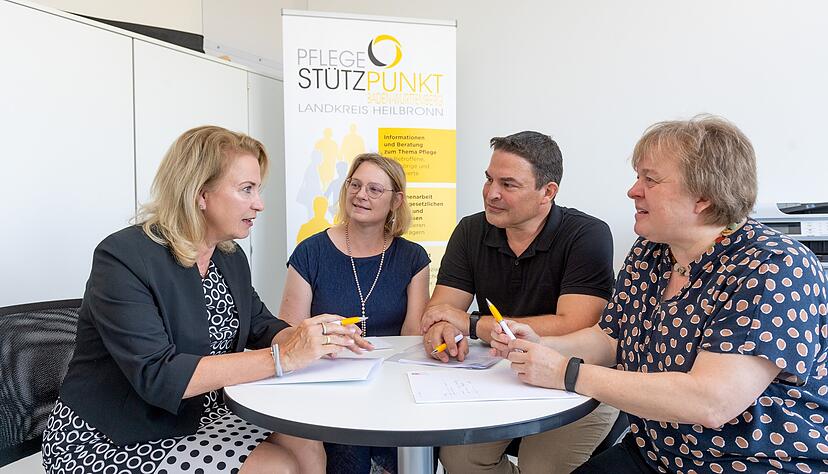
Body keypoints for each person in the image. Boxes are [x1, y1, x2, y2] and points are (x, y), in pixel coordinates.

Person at [491, 116, 828, 474]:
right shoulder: (651, 250)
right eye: (638, 177)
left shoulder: (771, 266)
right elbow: (611, 338)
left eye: (649, 179)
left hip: (753, 462)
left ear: (704, 196)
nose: (633, 190)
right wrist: (543, 345)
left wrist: (566, 373)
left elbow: (712, 401)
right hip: (658, 453)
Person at [42, 126, 371, 474]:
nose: (259, 203)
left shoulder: (228, 256)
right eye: (247, 189)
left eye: (258, 189)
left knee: (304, 441)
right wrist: (284, 357)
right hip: (116, 434)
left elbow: (260, 324)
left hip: (202, 414)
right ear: (200, 193)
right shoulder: (124, 257)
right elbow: (159, 374)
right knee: (276, 467)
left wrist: (312, 337)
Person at [421, 131, 619, 474]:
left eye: (508, 184)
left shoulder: (587, 234)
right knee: (459, 458)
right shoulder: (470, 230)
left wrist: (471, 324)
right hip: (502, 374)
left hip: (578, 377)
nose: (491, 193)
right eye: (488, 179)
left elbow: (576, 322)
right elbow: (440, 312)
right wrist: (441, 332)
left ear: (548, 192)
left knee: (541, 467)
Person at [279, 152, 430, 473]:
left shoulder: (413, 258)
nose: (360, 195)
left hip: (393, 387)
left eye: (375, 190)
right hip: (329, 387)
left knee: (410, 445)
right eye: (355, 184)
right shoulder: (310, 252)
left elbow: (413, 336)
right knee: (349, 450)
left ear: (396, 201)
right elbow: (289, 333)